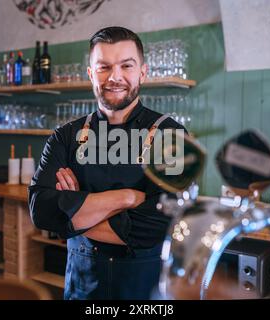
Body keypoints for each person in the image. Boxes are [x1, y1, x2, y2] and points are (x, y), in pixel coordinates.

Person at [28, 26, 186, 300]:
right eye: (103, 67)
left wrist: (73, 210)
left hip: (146, 291)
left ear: (143, 72)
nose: (115, 77)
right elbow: (41, 212)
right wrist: (127, 198)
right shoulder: (65, 136)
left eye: (126, 65)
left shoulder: (170, 135)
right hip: (82, 288)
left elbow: (161, 223)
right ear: (90, 73)